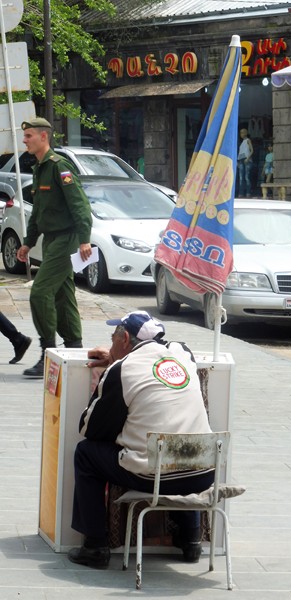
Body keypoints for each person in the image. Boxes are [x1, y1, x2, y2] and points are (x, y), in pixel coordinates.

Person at [68, 310, 214, 569]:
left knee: (86, 453)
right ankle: (191, 540)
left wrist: (112, 366)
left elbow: (89, 428)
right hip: (203, 472)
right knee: (182, 441)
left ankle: (94, 546)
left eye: (113, 338)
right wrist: (115, 359)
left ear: (124, 338)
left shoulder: (122, 370)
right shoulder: (182, 353)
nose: (111, 343)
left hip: (155, 476)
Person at [17, 117, 92, 379]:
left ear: (43, 137)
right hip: (51, 240)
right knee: (62, 294)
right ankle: (74, 349)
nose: (24, 140)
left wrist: (85, 238)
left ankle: (48, 352)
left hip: (67, 238)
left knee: (39, 292)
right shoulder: (39, 168)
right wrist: (28, 242)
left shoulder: (60, 166)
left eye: (28, 136)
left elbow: (80, 204)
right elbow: (38, 211)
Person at [237, 128, 254, 198]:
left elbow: (252, 150)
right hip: (241, 160)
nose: (242, 134)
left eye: (243, 132)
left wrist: (248, 158)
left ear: (246, 133)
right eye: (241, 133)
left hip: (247, 160)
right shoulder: (241, 143)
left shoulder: (248, 140)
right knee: (241, 178)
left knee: (246, 177)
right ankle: (241, 193)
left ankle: (248, 192)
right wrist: (237, 161)